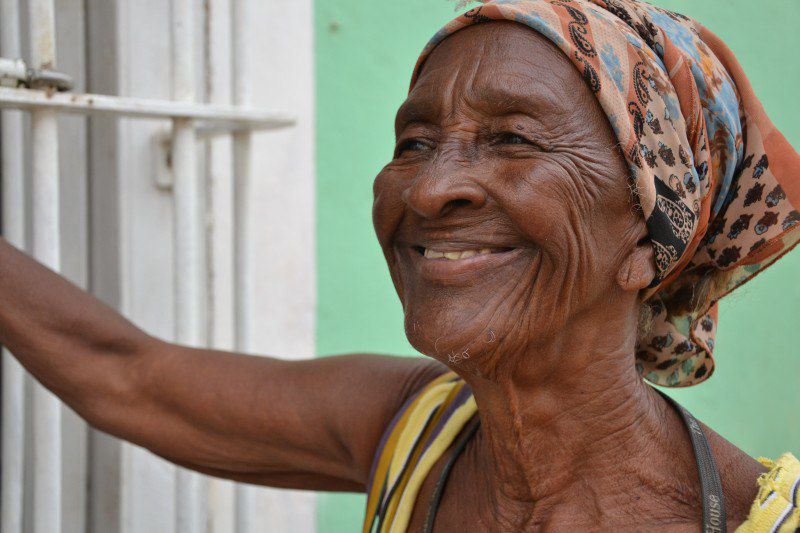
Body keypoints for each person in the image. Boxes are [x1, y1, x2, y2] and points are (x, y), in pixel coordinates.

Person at [1, 0, 798, 531]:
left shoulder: (754, 516)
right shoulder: (416, 429)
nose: (430, 187)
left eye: (514, 139)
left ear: (643, 240)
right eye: (414, 142)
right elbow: (124, 375)